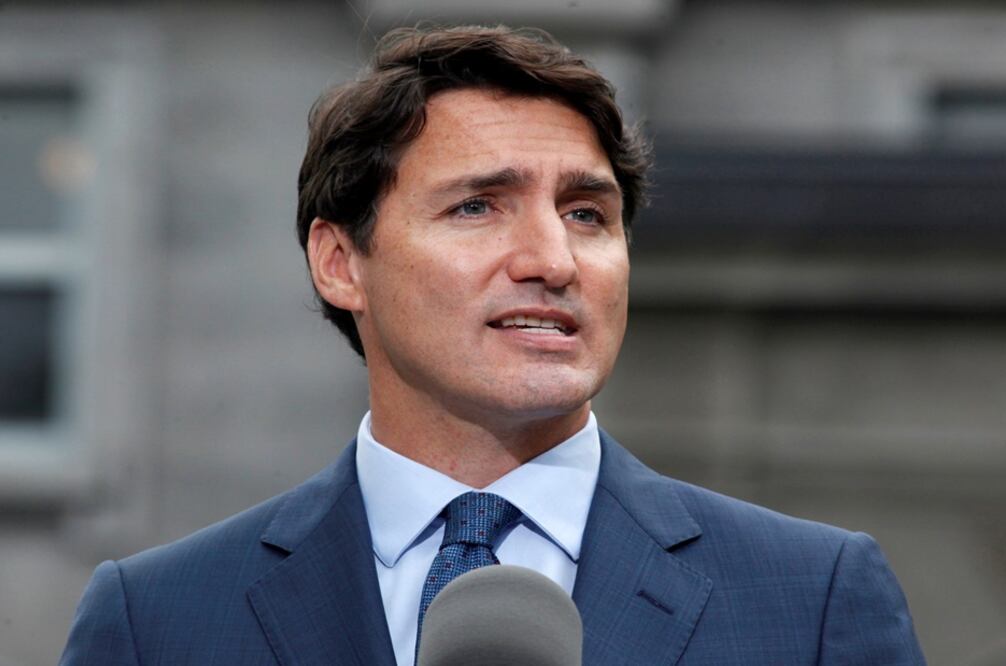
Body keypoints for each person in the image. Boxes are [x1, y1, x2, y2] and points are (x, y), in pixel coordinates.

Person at [60, 25, 925, 665]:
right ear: (340, 262)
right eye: (477, 206)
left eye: (588, 214)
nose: (552, 260)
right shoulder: (158, 622)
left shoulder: (812, 601)